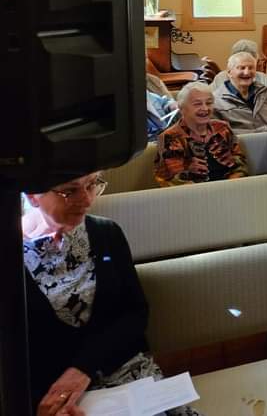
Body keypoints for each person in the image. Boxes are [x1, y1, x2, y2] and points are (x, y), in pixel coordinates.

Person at [22, 173, 201, 416]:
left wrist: (82, 369)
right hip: (53, 395)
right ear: (33, 196)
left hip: (125, 372)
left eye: (92, 185)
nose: (86, 200)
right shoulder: (10, 254)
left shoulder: (106, 232)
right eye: (70, 191)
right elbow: (16, 356)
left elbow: (135, 313)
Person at [155, 82, 247, 186]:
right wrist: (187, 169)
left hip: (230, 188)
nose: (205, 108)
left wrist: (231, 185)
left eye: (209, 103)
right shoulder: (170, 137)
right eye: (197, 104)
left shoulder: (222, 128)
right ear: (181, 108)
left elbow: (240, 163)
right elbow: (171, 180)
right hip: (193, 196)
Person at [212, 51, 267, 133]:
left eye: (251, 68)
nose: (247, 72)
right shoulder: (216, 101)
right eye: (242, 68)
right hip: (240, 144)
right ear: (229, 72)